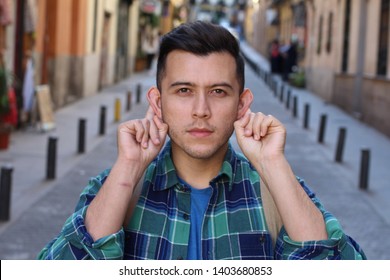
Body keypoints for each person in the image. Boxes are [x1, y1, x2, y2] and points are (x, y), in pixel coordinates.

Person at [38, 21, 366, 260]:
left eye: (218, 92)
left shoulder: (275, 195)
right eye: (184, 91)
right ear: (157, 102)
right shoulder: (114, 190)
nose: (201, 111)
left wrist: (272, 164)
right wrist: (128, 168)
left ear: (241, 103)